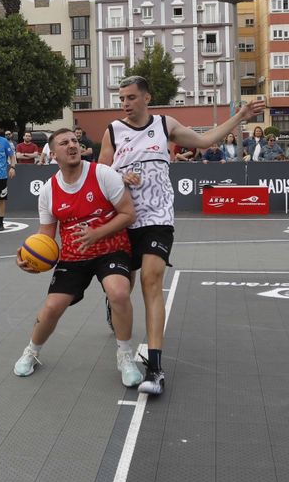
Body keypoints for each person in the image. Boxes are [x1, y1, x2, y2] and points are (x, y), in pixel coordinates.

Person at [100, 75, 264, 396]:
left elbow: (204, 141)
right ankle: (114, 305)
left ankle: (155, 368)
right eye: (121, 99)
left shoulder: (165, 125)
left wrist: (240, 116)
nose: (125, 104)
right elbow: (100, 174)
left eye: (131, 97)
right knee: (124, 288)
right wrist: (120, 176)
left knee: (151, 280)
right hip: (123, 218)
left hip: (158, 218)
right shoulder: (113, 131)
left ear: (147, 98)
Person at [13, 128, 141, 386]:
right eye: (64, 143)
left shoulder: (102, 174)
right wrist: (30, 258)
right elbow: (46, 236)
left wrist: (97, 233)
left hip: (111, 247)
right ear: (53, 154)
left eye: (74, 141)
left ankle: (125, 356)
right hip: (74, 256)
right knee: (52, 307)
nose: (72, 145)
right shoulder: (48, 190)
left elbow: (128, 214)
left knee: (118, 293)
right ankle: (31, 351)